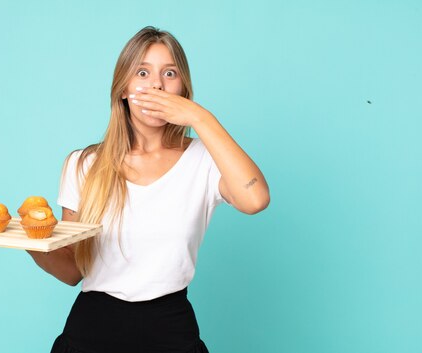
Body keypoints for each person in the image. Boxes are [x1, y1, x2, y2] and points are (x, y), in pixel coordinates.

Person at [27, 26, 270, 353]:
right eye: (143, 72)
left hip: (170, 329)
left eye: (169, 73)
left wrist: (200, 118)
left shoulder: (203, 159)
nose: (156, 84)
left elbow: (255, 199)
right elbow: (73, 270)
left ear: (182, 88)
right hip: (91, 330)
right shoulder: (84, 164)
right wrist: (30, 241)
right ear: (124, 89)